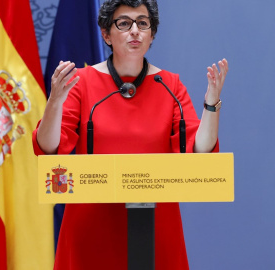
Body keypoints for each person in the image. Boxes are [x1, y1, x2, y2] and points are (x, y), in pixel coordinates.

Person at [33, 0, 228, 269]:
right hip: (91, 230)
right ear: (106, 34)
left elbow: (198, 153)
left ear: (152, 34)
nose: (135, 30)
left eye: (143, 23)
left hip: (155, 230)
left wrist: (211, 105)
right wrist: (54, 101)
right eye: (124, 23)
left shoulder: (170, 85)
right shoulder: (80, 82)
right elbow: (49, 150)